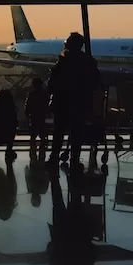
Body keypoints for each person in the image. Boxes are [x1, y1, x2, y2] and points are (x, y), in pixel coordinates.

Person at [47, 32, 101, 172]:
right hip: (80, 104)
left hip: (62, 103)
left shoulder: (62, 62)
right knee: (76, 134)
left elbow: (51, 85)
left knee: (58, 133)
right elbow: (96, 83)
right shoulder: (89, 62)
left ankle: (54, 158)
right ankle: (74, 161)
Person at [24, 77, 50, 152]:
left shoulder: (32, 94)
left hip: (34, 114)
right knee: (42, 129)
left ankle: (33, 146)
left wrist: (27, 112)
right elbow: (46, 104)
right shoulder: (44, 94)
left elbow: (28, 104)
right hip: (41, 113)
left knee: (33, 131)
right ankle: (42, 145)